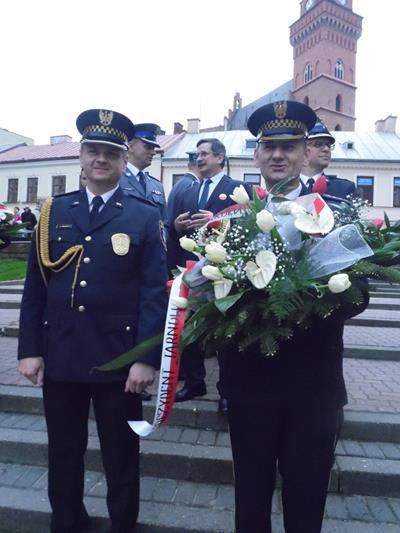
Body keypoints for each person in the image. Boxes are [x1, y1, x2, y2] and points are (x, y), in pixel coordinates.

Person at [217, 101, 369, 533]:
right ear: (256, 155)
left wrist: (314, 298)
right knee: (250, 497)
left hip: (312, 386)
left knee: (306, 499)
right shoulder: (232, 219)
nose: (278, 155)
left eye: (289, 146)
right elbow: (213, 296)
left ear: (306, 153)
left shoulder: (334, 212)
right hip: (249, 383)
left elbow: (359, 295)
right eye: (269, 147)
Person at [17, 108, 168, 533]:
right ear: (81, 156)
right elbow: (35, 288)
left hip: (119, 360)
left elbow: (154, 292)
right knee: (63, 451)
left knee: (121, 453)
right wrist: (29, 349)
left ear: (124, 159)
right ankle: (67, 523)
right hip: (62, 353)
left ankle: (123, 525)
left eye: (111, 153)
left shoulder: (143, 215)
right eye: (93, 151)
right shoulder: (53, 211)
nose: (101, 159)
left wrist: (146, 358)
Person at [168, 138, 252, 413]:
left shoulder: (238, 188)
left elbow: (248, 227)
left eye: (204, 153)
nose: (199, 158)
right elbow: (175, 230)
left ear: (220, 158)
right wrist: (177, 227)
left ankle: (227, 390)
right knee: (190, 326)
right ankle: (194, 382)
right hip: (191, 270)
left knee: (224, 331)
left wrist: (217, 220)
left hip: (224, 271)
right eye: (197, 154)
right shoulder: (189, 189)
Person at [119, 123, 166, 401]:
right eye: (147, 146)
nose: (152, 151)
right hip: (121, 264)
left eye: (154, 147)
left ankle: (139, 377)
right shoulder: (115, 178)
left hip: (150, 266)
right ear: (131, 145)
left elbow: (163, 226)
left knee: (145, 320)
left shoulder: (155, 185)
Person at [301, 118, 356, 199]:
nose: (326, 149)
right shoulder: (286, 187)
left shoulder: (344, 188)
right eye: (318, 144)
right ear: (303, 149)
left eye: (328, 145)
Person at [166, 151, 200, 272]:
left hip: (173, 247)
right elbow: (190, 222)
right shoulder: (193, 185)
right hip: (183, 250)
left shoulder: (179, 183)